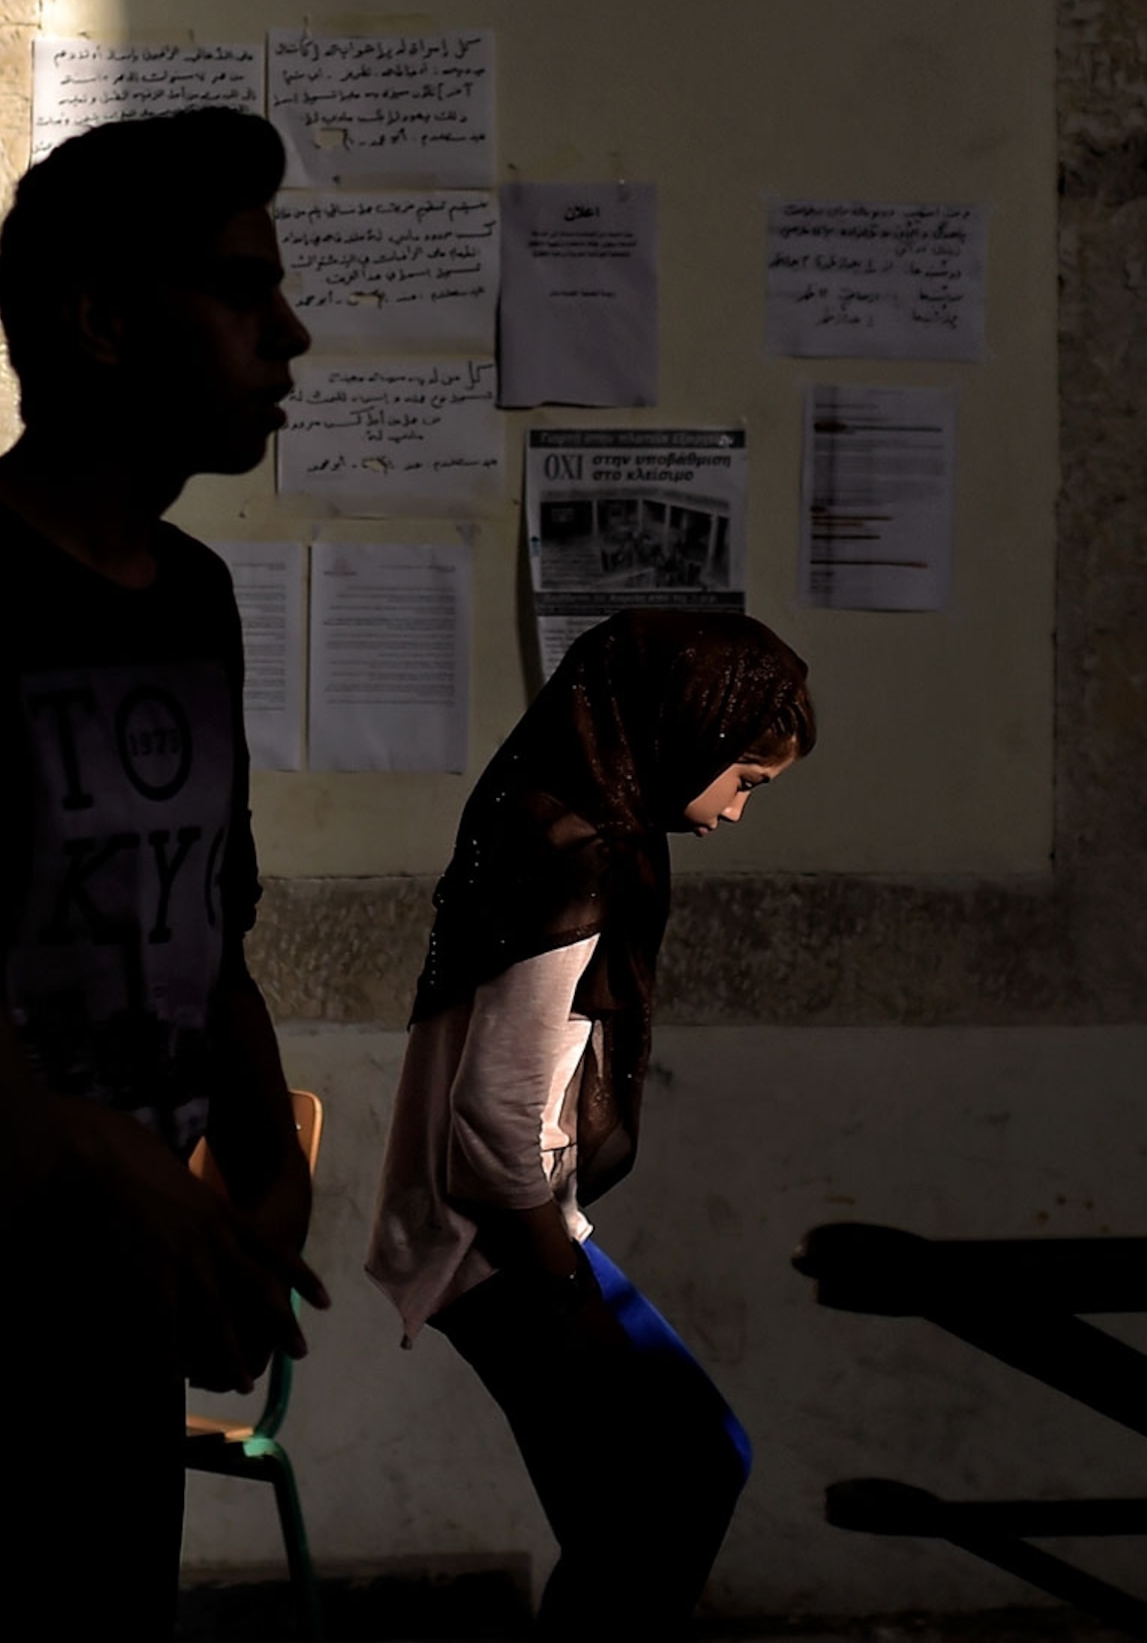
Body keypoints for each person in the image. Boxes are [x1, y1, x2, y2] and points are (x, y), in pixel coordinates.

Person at [0, 106, 325, 1638]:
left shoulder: (199, 601)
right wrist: (107, 1161)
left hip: (117, 1327)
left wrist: (266, 1180)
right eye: (240, 291)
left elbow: (208, 932)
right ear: (101, 322)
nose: (287, 335)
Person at [367, 610, 816, 1639]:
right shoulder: (571, 850)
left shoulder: (566, 820)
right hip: (502, 1240)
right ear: (688, 730)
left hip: (521, 1227)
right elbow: (492, 1117)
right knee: (683, 1479)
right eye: (742, 776)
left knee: (656, 1498)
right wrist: (566, 1291)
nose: (738, 810)